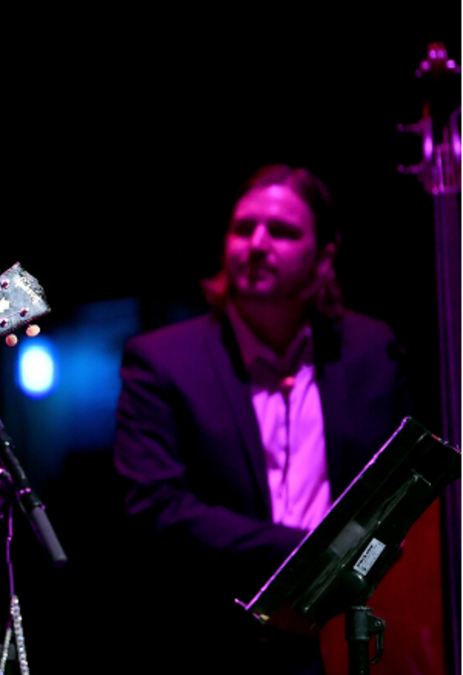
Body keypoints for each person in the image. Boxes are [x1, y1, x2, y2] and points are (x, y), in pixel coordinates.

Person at [112, 165, 409, 674]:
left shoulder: (370, 350)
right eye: (243, 228)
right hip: (219, 641)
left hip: (353, 640)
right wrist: (310, 552)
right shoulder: (161, 360)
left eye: (283, 232)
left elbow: (398, 495)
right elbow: (156, 507)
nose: (256, 244)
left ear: (323, 258)